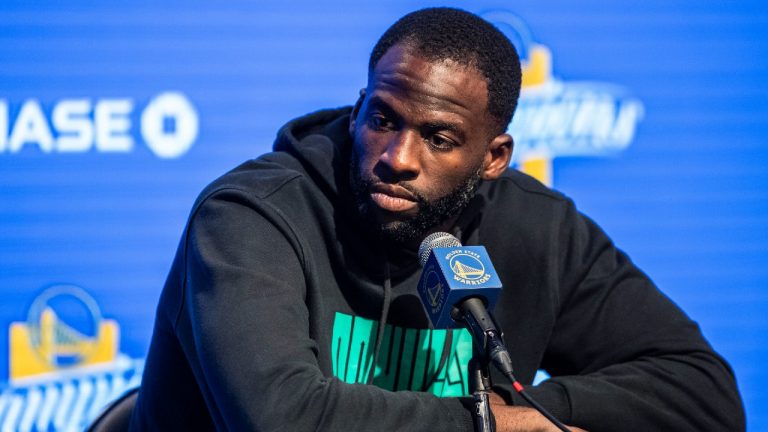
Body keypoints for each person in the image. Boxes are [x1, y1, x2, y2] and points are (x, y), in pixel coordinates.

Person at [129, 7, 744, 431]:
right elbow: (281, 419)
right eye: (382, 120)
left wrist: (531, 411)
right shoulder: (252, 216)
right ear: (357, 111)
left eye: (440, 138)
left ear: (494, 157)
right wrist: (492, 424)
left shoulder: (538, 230)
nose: (397, 158)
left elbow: (702, 394)